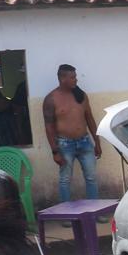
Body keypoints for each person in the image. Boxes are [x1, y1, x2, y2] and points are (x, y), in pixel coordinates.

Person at [43, 64, 101, 204]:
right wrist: (55, 151)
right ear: (62, 79)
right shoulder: (51, 99)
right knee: (65, 180)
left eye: (75, 77)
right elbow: (49, 127)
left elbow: (90, 119)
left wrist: (97, 142)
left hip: (85, 142)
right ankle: (66, 211)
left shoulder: (81, 95)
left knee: (91, 178)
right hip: (64, 145)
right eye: (73, 77)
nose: (76, 80)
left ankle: (93, 209)